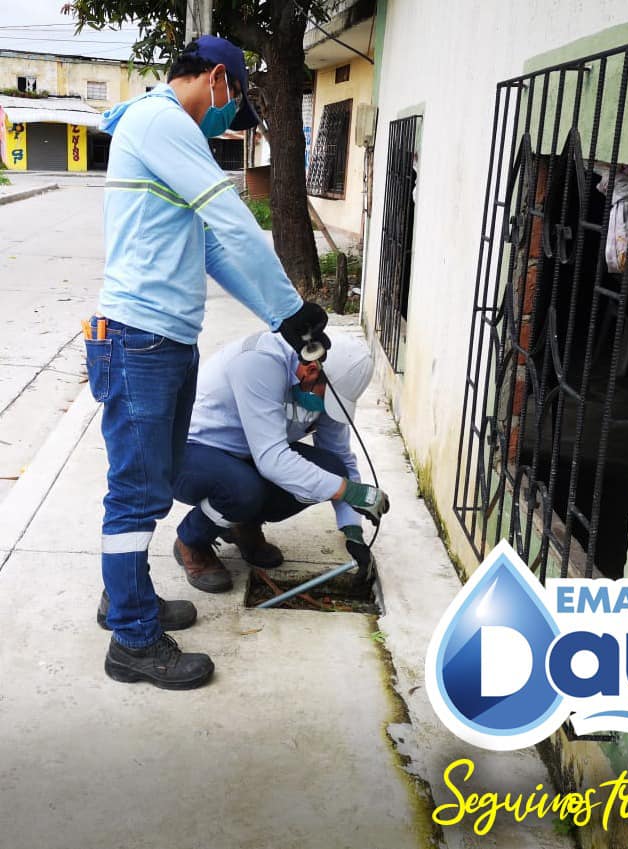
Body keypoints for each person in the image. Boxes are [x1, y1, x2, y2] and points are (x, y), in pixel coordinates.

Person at [84, 35, 330, 691]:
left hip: (161, 340)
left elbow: (214, 250)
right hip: (138, 339)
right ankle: (133, 640)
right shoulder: (162, 122)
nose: (227, 121)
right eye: (234, 105)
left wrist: (283, 317)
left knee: (153, 482)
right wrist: (292, 309)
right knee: (136, 492)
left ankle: (125, 597)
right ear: (217, 78)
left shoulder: (168, 134)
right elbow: (231, 220)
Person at [171, 331, 390, 592]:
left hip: (248, 455)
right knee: (243, 489)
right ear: (311, 370)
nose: (325, 407)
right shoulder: (258, 362)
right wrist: (352, 492)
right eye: (326, 398)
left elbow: (340, 457)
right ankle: (191, 541)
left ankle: (243, 524)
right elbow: (272, 460)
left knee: (331, 469)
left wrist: (353, 530)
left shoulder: (324, 389)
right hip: (190, 452)